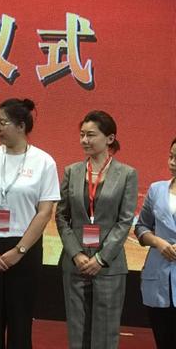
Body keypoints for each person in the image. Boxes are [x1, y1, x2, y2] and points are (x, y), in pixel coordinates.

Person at [0, 98, 59, 349]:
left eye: (3, 123)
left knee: (20, 322)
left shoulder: (44, 161)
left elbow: (44, 212)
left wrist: (19, 251)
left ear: (21, 126)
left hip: (24, 248)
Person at [56, 110, 138, 349]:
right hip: (75, 263)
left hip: (109, 266)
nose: (84, 140)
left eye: (91, 135)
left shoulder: (127, 174)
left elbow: (124, 221)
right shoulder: (72, 171)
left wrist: (101, 258)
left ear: (110, 138)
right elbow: (61, 216)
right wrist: (76, 253)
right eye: (82, 134)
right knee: (77, 330)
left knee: (105, 333)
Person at [135, 137, 176, 348]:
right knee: (164, 340)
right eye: (171, 156)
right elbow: (141, 227)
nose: (172, 162)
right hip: (158, 276)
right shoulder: (156, 189)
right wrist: (158, 242)